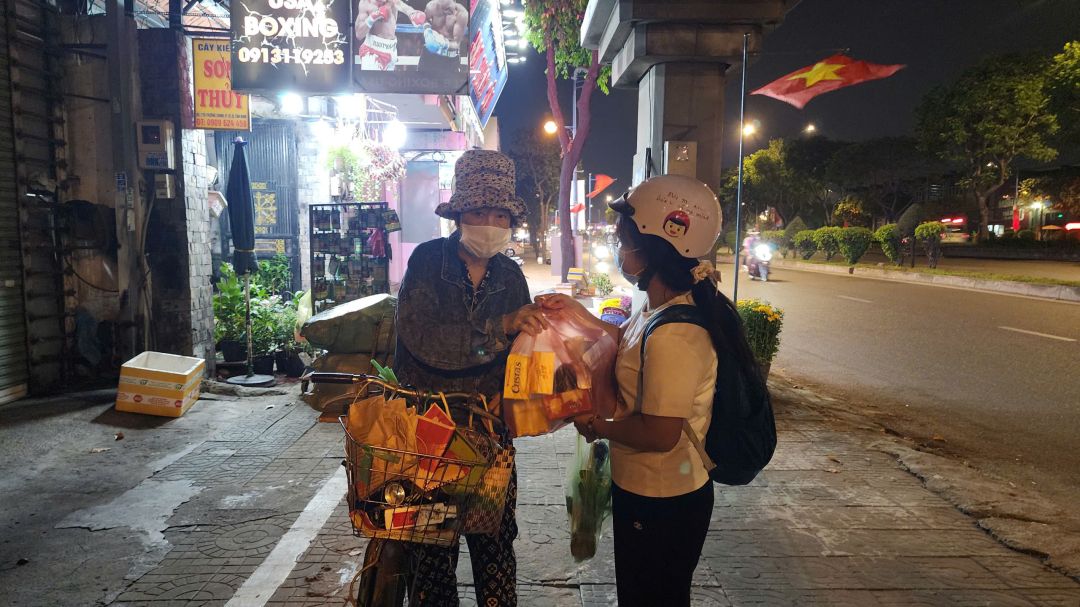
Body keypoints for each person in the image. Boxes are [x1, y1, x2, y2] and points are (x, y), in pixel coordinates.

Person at [539, 174, 764, 607]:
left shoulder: (677, 334)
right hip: (644, 489)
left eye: (624, 241)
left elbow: (662, 434)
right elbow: (627, 342)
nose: (619, 249)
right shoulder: (658, 306)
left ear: (656, 247)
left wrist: (597, 425)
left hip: (664, 498)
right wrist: (574, 313)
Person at [393, 149, 546, 606]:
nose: (490, 223)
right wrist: (500, 326)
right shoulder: (426, 262)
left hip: (490, 436)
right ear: (459, 215)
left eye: (500, 215)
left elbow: (520, 356)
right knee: (432, 552)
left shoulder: (511, 275)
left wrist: (520, 389)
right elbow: (424, 340)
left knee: (495, 546)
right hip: (428, 433)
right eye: (479, 212)